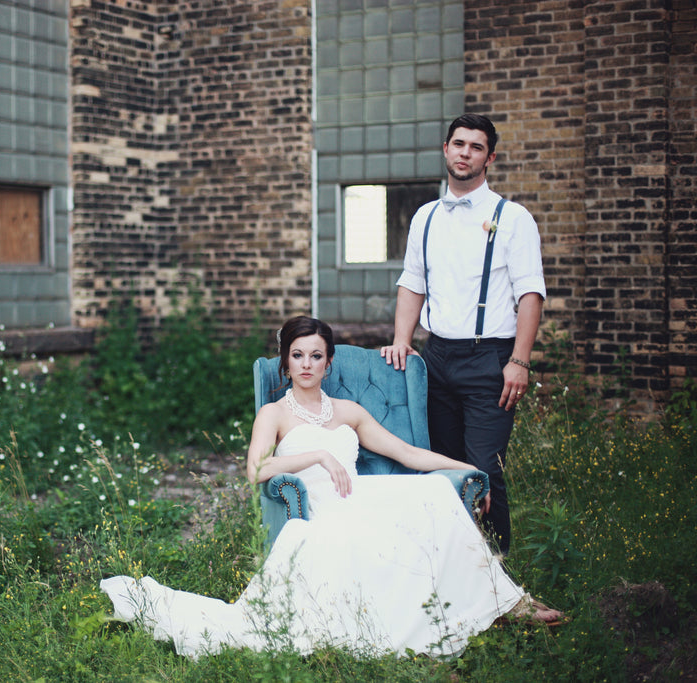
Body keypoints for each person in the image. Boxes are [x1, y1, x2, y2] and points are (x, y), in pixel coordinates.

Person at [101, 316, 559, 660]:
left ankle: (503, 601)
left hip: (361, 497)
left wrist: (468, 468)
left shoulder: (348, 411)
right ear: (285, 361)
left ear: (328, 362)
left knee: (437, 490)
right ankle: (499, 604)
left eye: (316, 356)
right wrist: (317, 456)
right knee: (421, 502)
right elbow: (256, 469)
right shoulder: (274, 415)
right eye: (298, 355)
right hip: (321, 505)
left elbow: (410, 456)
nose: (306, 364)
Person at [381, 113, 546, 555]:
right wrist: (403, 340)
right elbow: (412, 282)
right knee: (442, 465)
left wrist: (519, 360)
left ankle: (498, 572)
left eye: (476, 147)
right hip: (436, 357)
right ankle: (455, 562)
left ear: (489, 158)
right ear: (446, 149)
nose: (465, 153)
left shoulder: (512, 218)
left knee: (484, 469)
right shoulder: (426, 217)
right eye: (459, 144)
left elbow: (531, 293)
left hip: (489, 359)